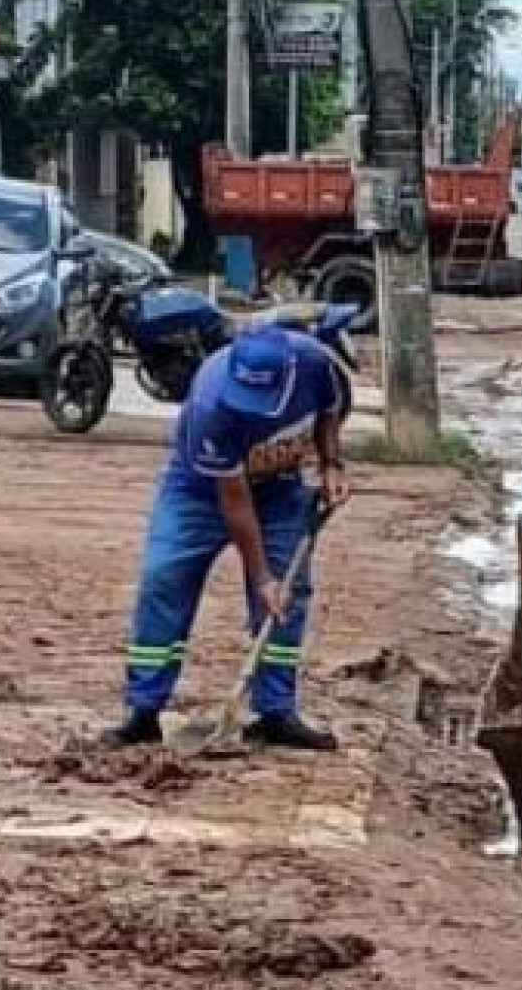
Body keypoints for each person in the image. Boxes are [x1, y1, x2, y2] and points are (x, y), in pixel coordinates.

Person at [103, 319, 351, 750]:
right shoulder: (209, 406)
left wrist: (332, 463)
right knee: (164, 579)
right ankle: (143, 710)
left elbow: (330, 410)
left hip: (280, 489)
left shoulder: (314, 364)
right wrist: (261, 579)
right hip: (197, 492)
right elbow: (235, 503)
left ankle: (276, 711)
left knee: (286, 599)